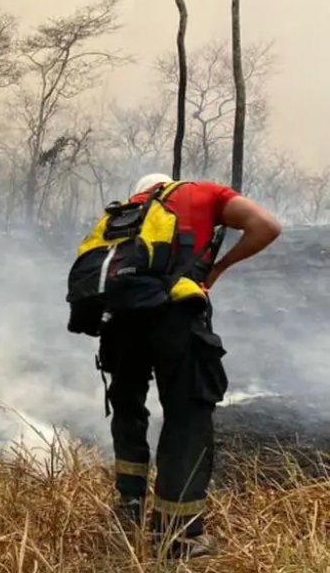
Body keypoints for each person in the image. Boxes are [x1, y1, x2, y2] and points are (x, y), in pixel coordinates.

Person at [97, 172, 281, 558]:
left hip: (120, 322)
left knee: (128, 409)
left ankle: (129, 508)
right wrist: (219, 267)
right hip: (174, 318)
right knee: (186, 416)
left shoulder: (127, 211)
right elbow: (267, 227)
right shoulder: (201, 193)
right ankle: (179, 536)